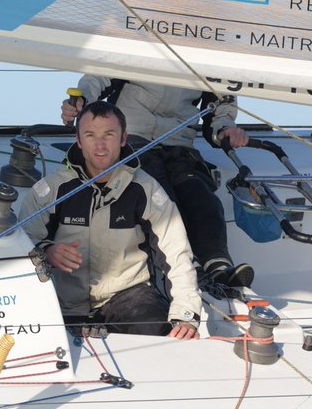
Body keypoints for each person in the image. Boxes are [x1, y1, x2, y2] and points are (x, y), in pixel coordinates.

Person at [25, 100, 201, 338]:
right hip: (62, 302)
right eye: (90, 135)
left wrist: (185, 314)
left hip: (129, 299)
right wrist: (47, 253)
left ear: (123, 138)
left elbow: (176, 251)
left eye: (109, 134)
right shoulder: (52, 189)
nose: (100, 145)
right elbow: (21, 243)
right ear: (78, 140)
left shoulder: (146, 189)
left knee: (160, 336)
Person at [60, 77, 254, 289]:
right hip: (134, 140)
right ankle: (190, 268)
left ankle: (218, 265)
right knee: (163, 199)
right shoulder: (138, 53)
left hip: (180, 144)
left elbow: (221, 102)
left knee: (202, 198)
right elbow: (99, 75)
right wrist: (82, 100)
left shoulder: (209, 59)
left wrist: (225, 129)